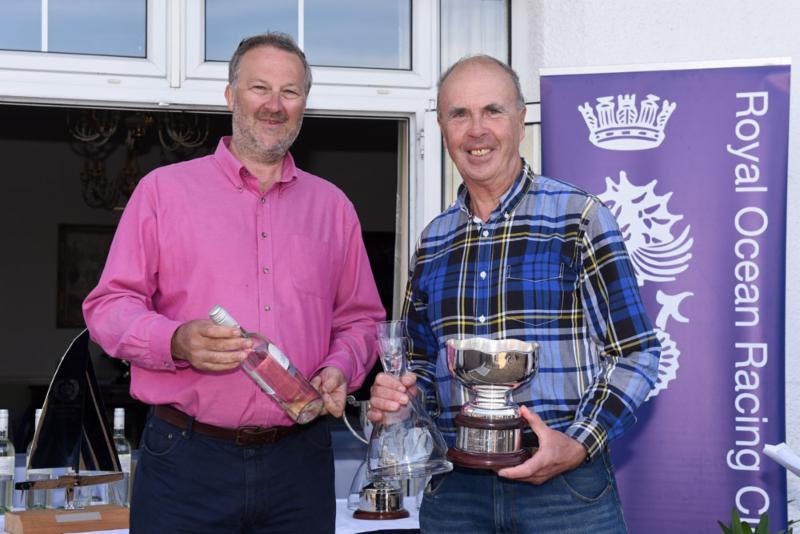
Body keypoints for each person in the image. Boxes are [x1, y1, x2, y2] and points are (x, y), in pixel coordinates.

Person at [83, 32, 385, 534]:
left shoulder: (334, 208)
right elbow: (108, 307)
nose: (274, 105)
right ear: (230, 96)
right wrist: (175, 340)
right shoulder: (163, 192)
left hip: (300, 463)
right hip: (186, 462)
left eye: (290, 92)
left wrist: (340, 367)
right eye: (259, 87)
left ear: (304, 104)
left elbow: (362, 321)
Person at [367, 55, 661, 533]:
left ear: (521, 121)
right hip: (456, 494)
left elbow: (636, 353)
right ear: (441, 127)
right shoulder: (434, 240)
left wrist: (579, 443)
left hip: (565, 494)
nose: (476, 130)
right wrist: (401, 395)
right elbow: (420, 363)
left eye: (493, 111)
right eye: (459, 114)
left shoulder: (579, 218)